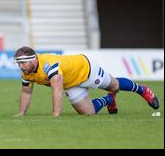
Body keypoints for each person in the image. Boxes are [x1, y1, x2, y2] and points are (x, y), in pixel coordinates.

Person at [13, 46, 159, 117]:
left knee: (115, 86)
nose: (20, 67)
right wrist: (21, 113)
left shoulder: (49, 65)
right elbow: (26, 92)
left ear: (32, 59)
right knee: (88, 113)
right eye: (18, 63)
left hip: (86, 70)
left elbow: (57, 90)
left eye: (22, 63)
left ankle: (143, 90)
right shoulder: (27, 72)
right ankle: (109, 99)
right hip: (70, 83)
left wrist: (55, 115)